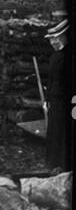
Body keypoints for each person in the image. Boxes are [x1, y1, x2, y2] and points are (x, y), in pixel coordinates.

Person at [44, 19, 72, 172]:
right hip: (55, 99)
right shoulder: (55, 57)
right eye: (51, 39)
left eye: (56, 38)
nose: (53, 42)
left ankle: (63, 162)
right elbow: (51, 79)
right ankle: (55, 162)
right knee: (55, 129)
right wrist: (47, 99)